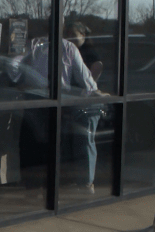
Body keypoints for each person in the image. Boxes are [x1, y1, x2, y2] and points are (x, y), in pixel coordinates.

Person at [23, 33, 103, 194]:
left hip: (35, 99)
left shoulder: (33, 45)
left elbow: (17, 69)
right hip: (55, 100)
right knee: (55, 143)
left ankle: (35, 186)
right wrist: (95, 91)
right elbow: (86, 79)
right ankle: (52, 185)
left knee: (35, 143)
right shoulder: (67, 47)